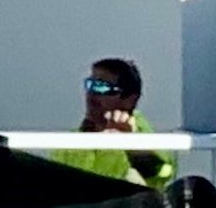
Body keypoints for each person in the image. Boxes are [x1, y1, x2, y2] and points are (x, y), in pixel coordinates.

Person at [49, 55, 177, 190]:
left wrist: (130, 143)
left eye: (101, 87)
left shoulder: (145, 138)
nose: (91, 95)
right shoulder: (69, 141)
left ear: (129, 99)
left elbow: (160, 176)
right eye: (90, 85)